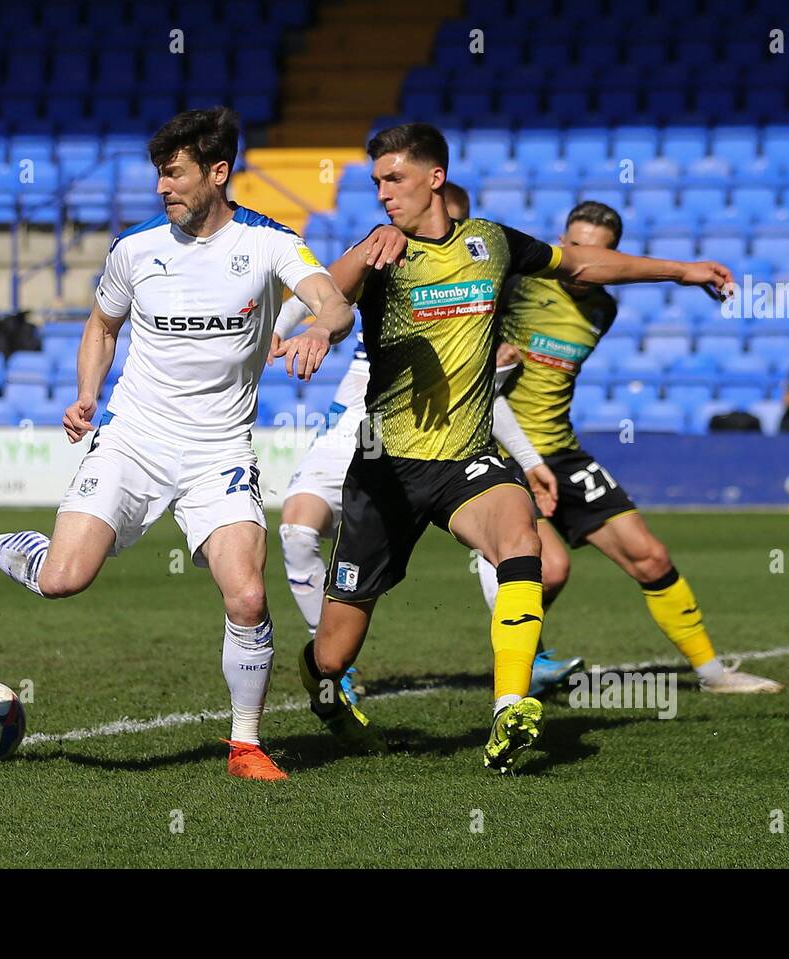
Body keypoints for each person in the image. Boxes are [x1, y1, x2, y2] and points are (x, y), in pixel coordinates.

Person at [0, 107, 357, 781]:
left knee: (249, 598)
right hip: (134, 439)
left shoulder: (269, 243)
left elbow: (334, 300)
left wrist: (322, 327)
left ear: (218, 172)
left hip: (219, 450)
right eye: (159, 174)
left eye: (175, 174)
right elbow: (102, 325)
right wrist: (88, 391)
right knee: (63, 579)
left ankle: (245, 745)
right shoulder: (135, 249)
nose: (162, 188)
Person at [275, 123, 735, 772]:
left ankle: (510, 705)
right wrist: (320, 329)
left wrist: (680, 270)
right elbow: (334, 296)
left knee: (521, 541)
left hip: (464, 458)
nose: (382, 192)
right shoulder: (378, 249)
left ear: (436, 178)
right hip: (385, 470)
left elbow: (580, 264)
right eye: (376, 181)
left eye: (394, 178)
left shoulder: (488, 243)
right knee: (333, 653)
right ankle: (325, 688)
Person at [480, 201, 783, 694]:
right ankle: (521, 660)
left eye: (596, 252)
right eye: (574, 245)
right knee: (550, 570)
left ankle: (712, 675)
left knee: (650, 555)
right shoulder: (517, 284)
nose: (582, 260)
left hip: (561, 451)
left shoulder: (603, 309)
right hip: (503, 453)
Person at [271, 183, 470, 704]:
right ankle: (332, 665)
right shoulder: (383, 252)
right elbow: (324, 285)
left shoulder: (476, 277)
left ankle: (527, 658)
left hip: (416, 431)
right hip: (349, 420)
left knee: (501, 539)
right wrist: (280, 327)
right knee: (295, 528)